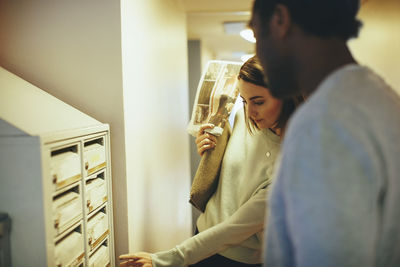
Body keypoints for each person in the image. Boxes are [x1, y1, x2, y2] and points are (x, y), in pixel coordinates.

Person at [250, 1, 400, 266]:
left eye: (256, 34)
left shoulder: (323, 123)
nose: (257, 51)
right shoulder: (380, 98)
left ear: (280, 20)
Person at [119, 56, 302, 267]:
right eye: (244, 101)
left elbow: (235, 228)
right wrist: (210, 152)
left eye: (258, 102)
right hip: (202, 236)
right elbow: (234, 169)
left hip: (238, 258)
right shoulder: (247, 120)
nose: (250, 112)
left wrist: (164, 260)